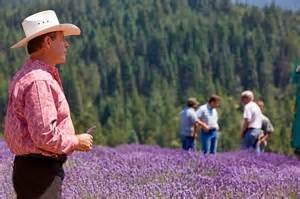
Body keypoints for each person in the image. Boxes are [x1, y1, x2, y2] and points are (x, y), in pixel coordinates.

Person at [4, 10, 93, 198]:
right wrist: (76, 141)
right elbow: (44, 136)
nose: (67, 45)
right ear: (48, 42)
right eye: (62, 39)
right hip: (40, 172)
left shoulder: (26, 74)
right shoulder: (39, 81)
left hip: (29, 169)